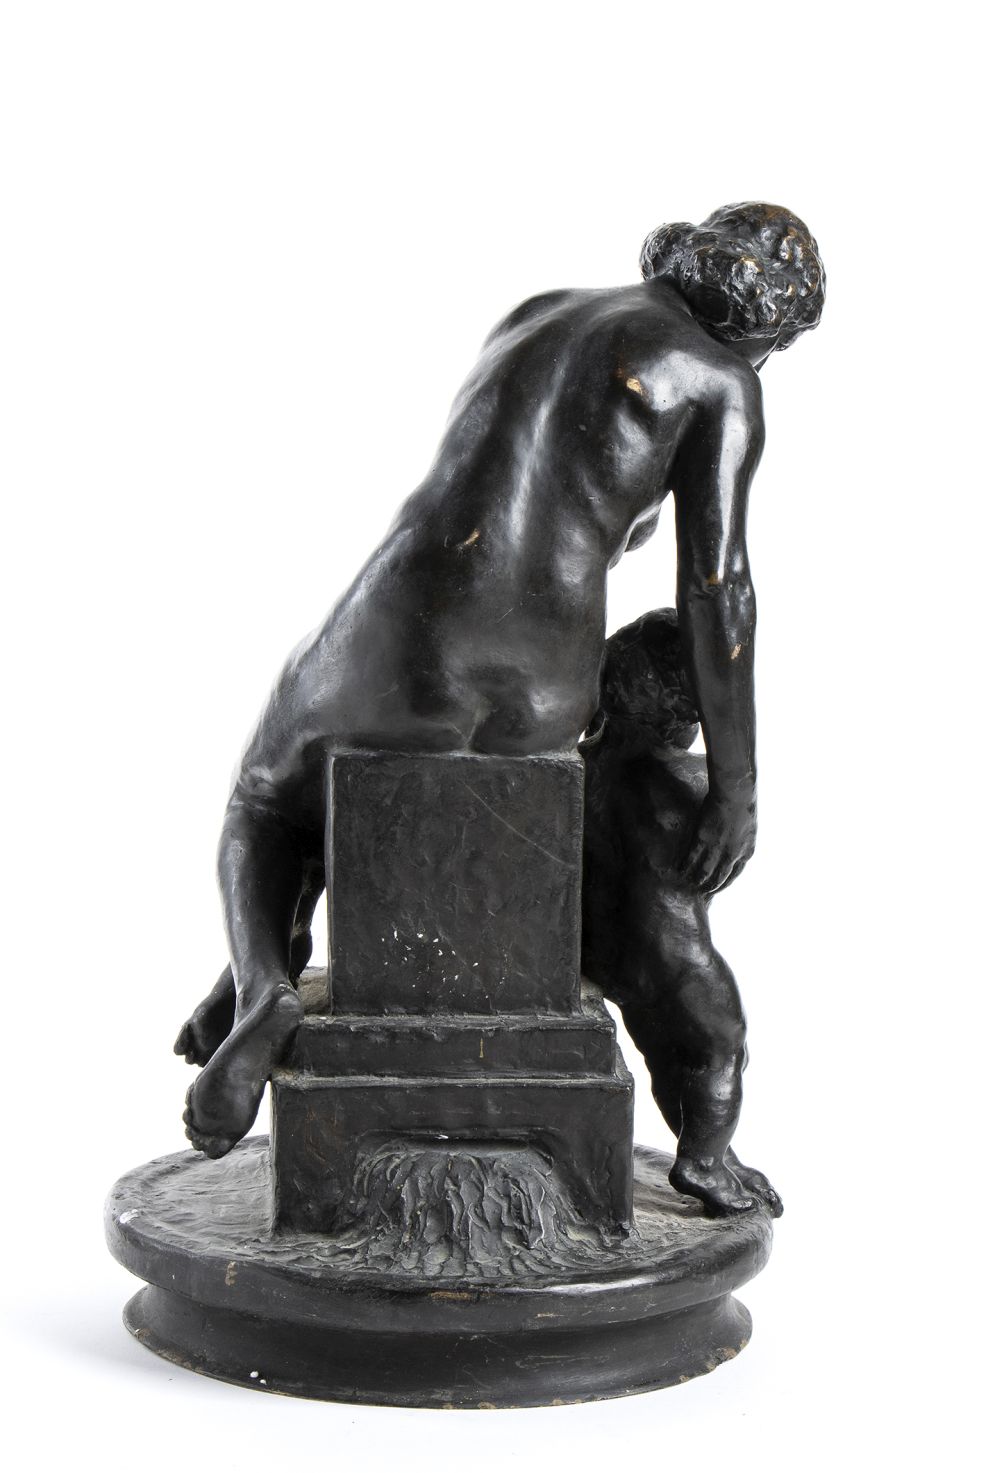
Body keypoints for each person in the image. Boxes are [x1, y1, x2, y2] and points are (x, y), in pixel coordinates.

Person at [176, 203, 825, 1158]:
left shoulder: (539, 312)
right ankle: (271, 979)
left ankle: (263, 978)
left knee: (269, 796)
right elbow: (716, 588)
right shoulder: (722, 382)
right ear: (769, 327)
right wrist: (738, 786)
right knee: (298, 793)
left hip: (396, 629)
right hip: (540, 688)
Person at [581, 608, 782, 1216]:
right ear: (681, 711)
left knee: (663, 1053)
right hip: (673, 957)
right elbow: (718, 869)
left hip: (602, 951)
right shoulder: (686, 783)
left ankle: (711, 1154)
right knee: (720, 1045)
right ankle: (703, 1160)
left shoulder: (580, 770)